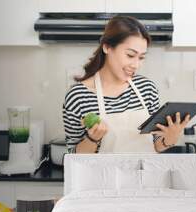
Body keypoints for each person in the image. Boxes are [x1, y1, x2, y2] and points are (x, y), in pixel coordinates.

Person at [62, 16, 189, 154]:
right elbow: (73, 158)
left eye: (141, 58)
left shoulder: (147, 89)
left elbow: (156, 144)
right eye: (130, 55)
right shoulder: (79, 96)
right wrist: (92, 139)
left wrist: (170, 139)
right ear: (107, 47)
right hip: (103, 175)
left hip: (144, 175)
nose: (136, 65)